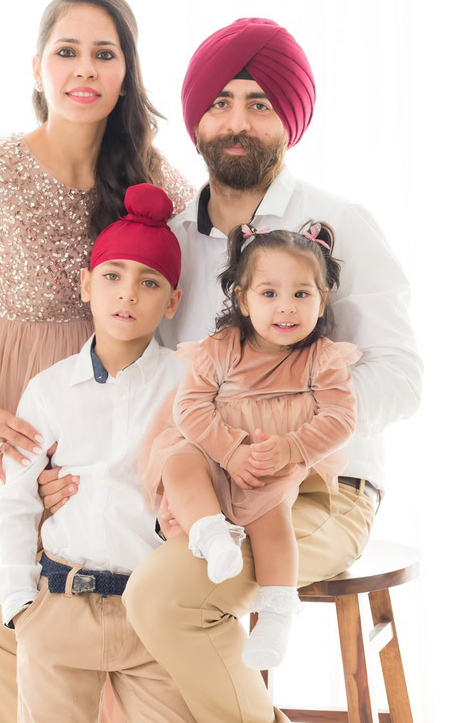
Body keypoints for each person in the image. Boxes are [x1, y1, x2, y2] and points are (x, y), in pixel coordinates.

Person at [118, 17, 423, 722]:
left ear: (289, 121)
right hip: (199, 483)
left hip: (320, 488)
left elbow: (402, 376)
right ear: (196, 121)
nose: (237, 122)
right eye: (221, 102)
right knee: (57, 604)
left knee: (163, 598)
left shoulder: (338, 222)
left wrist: (289, 436)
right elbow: (148, 380)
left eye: (259, 104)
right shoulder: (169, 243)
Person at [0, 0, 194, 723]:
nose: (84, 69)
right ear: (37, 68)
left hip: (116, 408)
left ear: (127, 72)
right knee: (10, 610)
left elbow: (205, 280)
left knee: (110, 598)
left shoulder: (153, 177)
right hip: (9, 411)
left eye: (104, 54)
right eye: (66, 52)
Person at [0, 183, 195, 722]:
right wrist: (18, 601)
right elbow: (15, 497)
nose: (127, 294)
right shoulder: (49, 390)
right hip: (61, 606)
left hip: (152, 613)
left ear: (172, 302)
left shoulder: (187, 383)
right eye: (112, 276)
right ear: (86, 284)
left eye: (148, 282)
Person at [142, 220, 361, 671]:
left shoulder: (322, 359)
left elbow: (341, 419)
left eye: (301, 293)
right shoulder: (222, 347)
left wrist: (290, 449)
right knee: (178, 463)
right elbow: (190, 408)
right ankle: (211, 535)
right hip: (211, 449)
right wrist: (230, 452)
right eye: (269, 293)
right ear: (243, 300)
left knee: (273, 523)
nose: (286, 306)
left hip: (269, 464)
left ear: (322, 301)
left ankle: (276, 615)